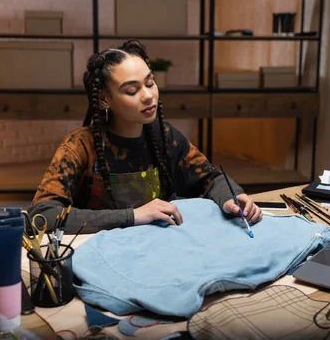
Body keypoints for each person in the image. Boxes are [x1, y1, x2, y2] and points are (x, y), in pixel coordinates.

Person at [28, 39, 262, 234]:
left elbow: (210, 179)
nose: (148, 96)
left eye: (150, 83)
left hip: (157, 249)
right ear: (103, 99)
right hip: (102, 254)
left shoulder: (165, 137)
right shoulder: (79, 147)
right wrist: (133, 216)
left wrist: (233, 197)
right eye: (132, 90)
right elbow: (42, 215)